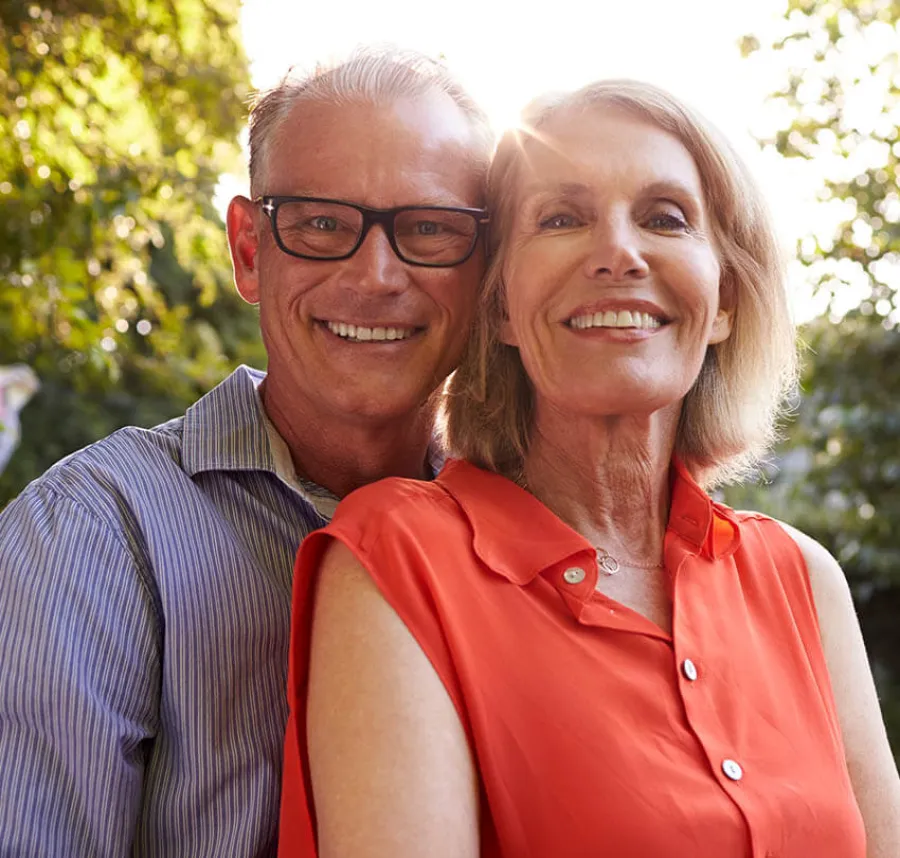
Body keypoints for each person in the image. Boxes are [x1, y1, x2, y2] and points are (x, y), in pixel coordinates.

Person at [282, 80, 900, 857]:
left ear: (725, 302)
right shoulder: (399, 559)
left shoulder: (803, 579)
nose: (618, 254)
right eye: (562, 218)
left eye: (664, 218)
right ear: (500, 305)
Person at [0, 48, 491, 857]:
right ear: (249, 251)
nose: (375, 276)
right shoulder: (88, 538)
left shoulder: (521, 537)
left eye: (429, 229)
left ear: (486, 268)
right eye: (322, 223)